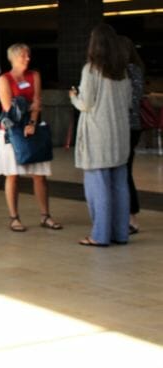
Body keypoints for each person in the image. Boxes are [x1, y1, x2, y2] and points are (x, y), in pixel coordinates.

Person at [70, 24, 132, 247]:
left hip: (98, 136)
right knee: (119, 187)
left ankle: (100, 235)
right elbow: (127, 102)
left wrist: (73, 97)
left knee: (98, 188)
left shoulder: (91, 69)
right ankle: (120, 233)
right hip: (120, 135)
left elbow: (86, 103)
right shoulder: (122, 71)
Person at [0, 43, 62, 232]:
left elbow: (37, 102)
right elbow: (9, 108)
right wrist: (28, 106)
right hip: (11, 132)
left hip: (32, 130)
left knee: (40, 175)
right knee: (12, 175)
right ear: (14, 58)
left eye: (28, 55)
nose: (27, 59)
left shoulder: (34, 76)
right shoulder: (4, 79)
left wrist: (32, 122)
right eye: (24, 56)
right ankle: (14, 217)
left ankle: (45, 215)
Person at [120, 36, 144, 235]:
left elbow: (131, 101)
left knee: (124, 171)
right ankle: (127, 215)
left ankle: (131, 217)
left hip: (128, 127)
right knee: (124, 171)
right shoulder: (133, 70)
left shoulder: (130, 71)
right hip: (129, 127)